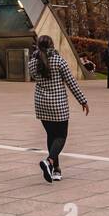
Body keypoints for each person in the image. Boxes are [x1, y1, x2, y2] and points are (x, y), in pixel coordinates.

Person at [29, 34, 89, 182]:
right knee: (61, 136)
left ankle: (56, 170)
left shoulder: (31, 63)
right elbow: (71, 83)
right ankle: (49, 161)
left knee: (51, 135)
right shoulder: (58, 60)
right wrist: (83, 100)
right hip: (58, 104)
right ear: (52, 45)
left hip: (41, 104)